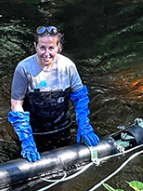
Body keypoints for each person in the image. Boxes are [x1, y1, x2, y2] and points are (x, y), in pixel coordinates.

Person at [9, 26, 100, 162]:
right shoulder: (23, 69)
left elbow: (80, 97)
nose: (46, 53)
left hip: (61, 129)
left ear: (59, 47)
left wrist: (84, 124)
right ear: (35, 46)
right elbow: (16, 105)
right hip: (33, 132)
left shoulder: (67, 66)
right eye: (42, 47)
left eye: (51, 48)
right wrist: (26, 140)